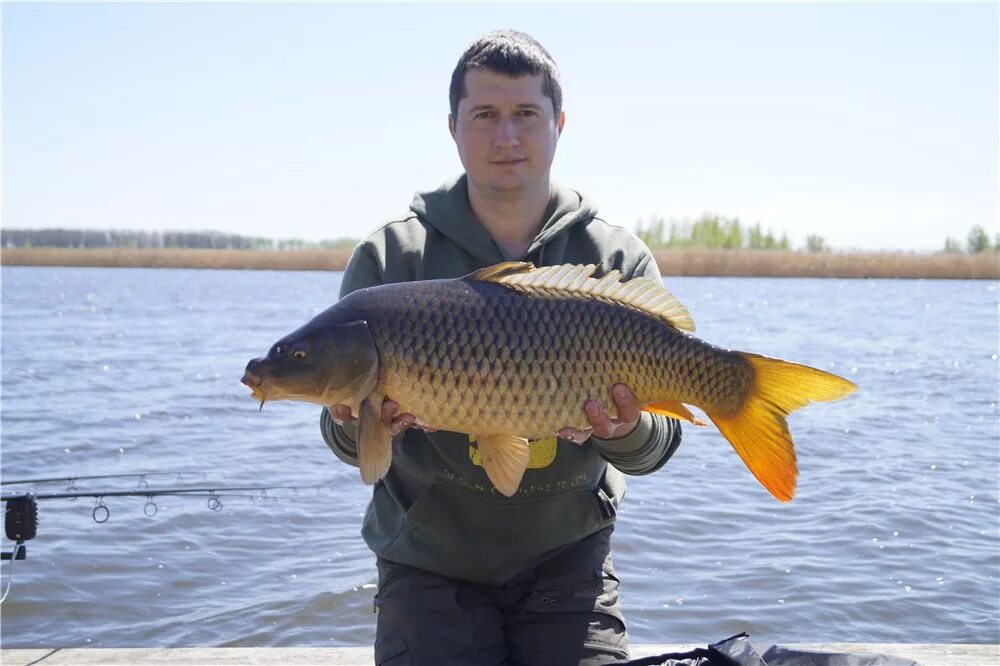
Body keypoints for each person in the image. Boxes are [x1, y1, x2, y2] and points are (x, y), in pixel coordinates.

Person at [321, 29, 682, 665]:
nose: (506, 137)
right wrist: (355, 420)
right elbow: (350, 446)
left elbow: (657, 450)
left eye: (525, 115)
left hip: (570, 563)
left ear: (559, 124)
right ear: (454, 127)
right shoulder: (389, 259)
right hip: (427, 562)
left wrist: (624, 431)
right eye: (484, 115)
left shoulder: (614, 259)